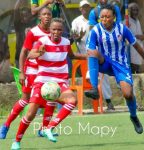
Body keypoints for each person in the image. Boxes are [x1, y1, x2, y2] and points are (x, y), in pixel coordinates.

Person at [11, 18, 87, 149]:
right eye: (54, 29)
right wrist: (39, 52)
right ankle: (17, 141)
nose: (56, 32)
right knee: (30, 114)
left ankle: (49, 128)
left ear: (62, 31)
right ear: (50, 30)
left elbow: (72, 55)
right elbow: (30, 54)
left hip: (60, 82)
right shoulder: (42, 42)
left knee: (72, 101)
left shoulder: (66, 42)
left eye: (59, 30)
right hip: (42, 81)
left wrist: (88, 56)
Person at [86, 4, 144, 134]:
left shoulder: (122, 29)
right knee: (92, 52)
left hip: (121, 65)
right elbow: (89, 50)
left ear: (114, 17)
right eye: (102, 17)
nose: (104, 19)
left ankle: (133, 116)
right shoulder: (95, 31)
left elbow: (136, 46)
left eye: (107, 16)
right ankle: (94, 88)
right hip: (105, 63)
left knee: (128, 94)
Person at [0, 7, 53, 139]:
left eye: (49, 14)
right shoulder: (33, 32)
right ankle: (5, 125)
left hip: (46, 71)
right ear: (39, 17)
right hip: (33, 71)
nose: (47, 16)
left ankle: (44, 129)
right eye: (44, 14)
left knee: (51, 98)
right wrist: (22, 72)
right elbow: (24, 52)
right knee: (25, 100)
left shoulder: (53, 32)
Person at [87, 0, 122, 111]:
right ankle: (109, 102)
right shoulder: (94, 12)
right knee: (103, 77)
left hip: (116, 50)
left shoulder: (114, 8)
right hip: (102, 50)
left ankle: (133, 100)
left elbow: (119, 25)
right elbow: (92, 29)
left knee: (123, 78)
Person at [14, 0, 35, 67]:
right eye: (22, 16)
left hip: (31, 56)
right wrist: (19, 1)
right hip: (19, 56)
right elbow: (16, 11)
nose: (24, 17)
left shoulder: (33, 25)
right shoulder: (18, 25)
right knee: (19, 76)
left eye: (26, 15)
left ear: (30, 16)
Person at [128, 3, 144, 73]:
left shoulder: (137, 21)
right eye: (133, 10)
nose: (135, 12)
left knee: (138, 70)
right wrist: (136, 36)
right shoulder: (126, 21)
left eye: (136, 10)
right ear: (130, 11)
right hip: (132, 49)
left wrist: (142, 36)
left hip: (139, 49)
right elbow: (125, 35)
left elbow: (140, 34)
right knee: (132, 69)